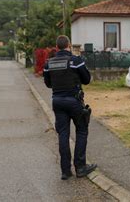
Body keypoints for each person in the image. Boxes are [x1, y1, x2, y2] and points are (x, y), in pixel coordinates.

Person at [43, 35, 97, 180]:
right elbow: (86, 80)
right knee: (81, 130)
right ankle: (80, 167)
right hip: (74, 101)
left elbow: (48, 84)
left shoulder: (49, 63)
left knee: (63, 135)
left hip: (57, 102)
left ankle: (65, 171)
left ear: (56, 46)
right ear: (69, 45)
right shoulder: (76, 61)